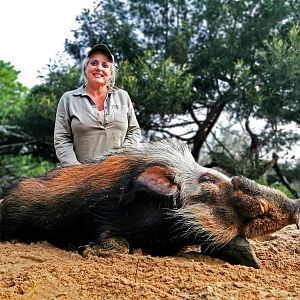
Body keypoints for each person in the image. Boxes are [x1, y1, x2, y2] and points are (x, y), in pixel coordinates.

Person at [54, 44, 141, 166]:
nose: (99, 68)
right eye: (94, 63)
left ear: (111, 73)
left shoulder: (123, 96)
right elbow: (62, 139)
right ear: (86, 68)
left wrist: (121, 158)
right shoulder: (68, 99)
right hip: (81, 177)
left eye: (105, 65)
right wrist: (75, 170)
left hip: (119, 174)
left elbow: (134, 131)